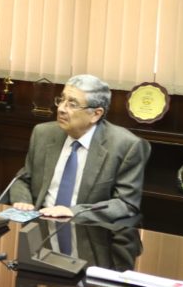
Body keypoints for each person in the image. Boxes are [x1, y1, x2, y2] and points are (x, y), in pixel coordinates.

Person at [9, 74, 150, 222]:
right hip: (39, 221)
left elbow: (125, 203)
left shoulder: (126, 145)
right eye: (61, 100)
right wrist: (23, 201)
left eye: (72, 104)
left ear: (96, 114)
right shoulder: (43, 133)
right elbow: (23, 179)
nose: (61, 109)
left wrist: (74, 212)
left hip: (86, 226)